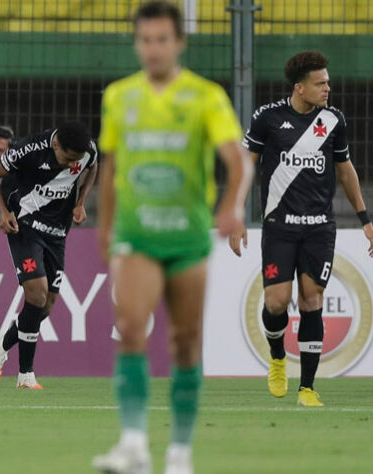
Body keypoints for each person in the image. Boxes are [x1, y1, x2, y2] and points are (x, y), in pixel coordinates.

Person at [92, 2, 252, 473]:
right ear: (136, 42)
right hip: (137, 237)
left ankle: (179, 453)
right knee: (132, 328)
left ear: (179, 42)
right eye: (145, 40)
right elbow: (111, 164)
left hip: (187, 240)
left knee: (185, 342)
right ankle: (134, 443)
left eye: (163, 39)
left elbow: (238, 159)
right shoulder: (120, 96)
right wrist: (104, 227)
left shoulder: (205, 97)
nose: (154, 49)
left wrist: (232, 206)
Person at [230, 51, 373, 407]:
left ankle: (308, 388)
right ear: (300, 88)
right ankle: (278, 356)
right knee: (277, 301)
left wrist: (365, 219)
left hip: (319, 228)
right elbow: (246, 168)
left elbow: (345, 170)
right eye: (321, 83)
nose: (328, 87)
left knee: (312, 298)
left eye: (327, 81)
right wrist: (236, 214)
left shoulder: (333, 120)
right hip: (279, 228)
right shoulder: (267, 119)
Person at [0, 121, 98, 389]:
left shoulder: (87, 151)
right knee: (36, 294)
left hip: (57, 231)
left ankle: (2, 342)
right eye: (68, 159)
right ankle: (26, 374)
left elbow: (93, 167)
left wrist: (81, 201)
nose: (72, 165)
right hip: (24, 223)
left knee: (45, 306)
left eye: (76, 161)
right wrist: (2, 212)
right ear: (56, 145)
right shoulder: (29, 149)